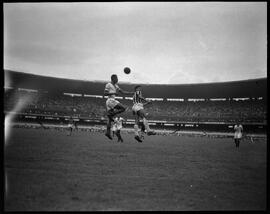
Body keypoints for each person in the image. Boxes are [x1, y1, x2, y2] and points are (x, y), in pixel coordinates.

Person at [104, 74, 133, 140]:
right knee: (123, 108)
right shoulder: (108, 84)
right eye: (116, 78)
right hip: (110, 100)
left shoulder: (116, 86)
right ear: (113, 79)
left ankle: (107, 132)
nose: (117, 79)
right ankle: (112, 114)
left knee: (109, 118)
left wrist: (131, 93)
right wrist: (113, 93)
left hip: (111, 101)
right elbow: (105, 93)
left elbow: (122, 92)